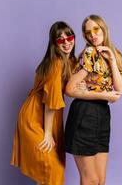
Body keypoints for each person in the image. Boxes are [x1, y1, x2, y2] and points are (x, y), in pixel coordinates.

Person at [10, 21, 78, 185]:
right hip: (35, 116)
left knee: (49, 172)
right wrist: (47, 133)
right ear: (55, 43)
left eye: (69, 37)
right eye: (60, 40)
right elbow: (51, 102)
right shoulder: (56, 64)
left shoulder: (71, 61)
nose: (66, 42)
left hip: (51, 118)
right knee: (51, 167)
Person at [64, 14, 122, 185]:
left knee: (100, 180)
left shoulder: (116, 54)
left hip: (102, 114)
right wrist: (103, 95)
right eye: (88, 32)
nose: (93, 35)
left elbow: (120, 89)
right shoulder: (90, 53)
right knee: (90, 179)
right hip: (85, 112)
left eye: (96, 29)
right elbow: (69, 89)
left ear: (103, 28)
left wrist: (112, 59)